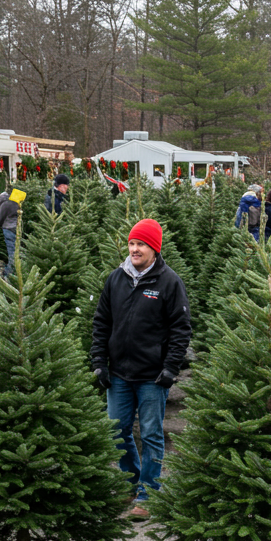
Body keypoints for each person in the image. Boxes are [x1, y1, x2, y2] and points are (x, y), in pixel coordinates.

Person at [90, 219, 192, 520]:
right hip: (119, 372)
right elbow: (101, 323)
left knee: (150, 434)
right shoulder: (116, 279)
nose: (134, 249)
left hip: (152, 376)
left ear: (154, 249)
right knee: (117, 431)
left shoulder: (169, 282)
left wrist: (170, 368)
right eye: (132, 243)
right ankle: (129, 481)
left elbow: (180, 329)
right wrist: (99, 361)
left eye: (141, 245)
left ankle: (149, 493)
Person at [0, 191, 20, 276]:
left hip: (8, 228)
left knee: (11, 251)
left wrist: (1, 225)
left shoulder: (5, 205)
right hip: (17, 228)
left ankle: (10, 272)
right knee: (16, 249)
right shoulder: (15, 202)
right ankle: (18, 269)